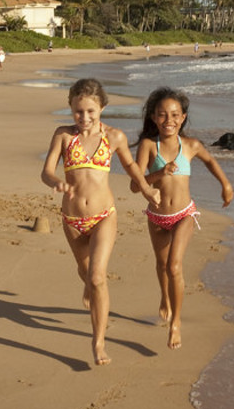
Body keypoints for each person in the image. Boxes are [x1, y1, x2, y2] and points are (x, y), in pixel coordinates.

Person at [41, 78, 161, 366]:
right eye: (78, 112)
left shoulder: (114, 137)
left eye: (91, 112)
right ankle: (88, 285)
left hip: (104, 215)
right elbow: (46, 172)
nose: (84, 118)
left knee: (97, 277)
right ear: (71, 109)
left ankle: (98, 343)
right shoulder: (63, 136)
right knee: (86, 274)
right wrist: (56, 182)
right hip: (72, 219)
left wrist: (146, 189)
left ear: (102, 108)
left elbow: (132, 167)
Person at [131, 86, 234, 349]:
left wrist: (226, 185)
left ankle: (175, 323)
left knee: (174, 266)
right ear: (153, 117)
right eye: (163, 115)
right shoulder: (147, 145)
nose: (169, 121)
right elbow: (136, 185)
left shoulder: (191, 146)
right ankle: (165, 297)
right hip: (156, 216)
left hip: (184, 214)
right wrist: (160, 173)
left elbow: (210, 161)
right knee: (161, 264)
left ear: (184, 117)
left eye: (175, 115)